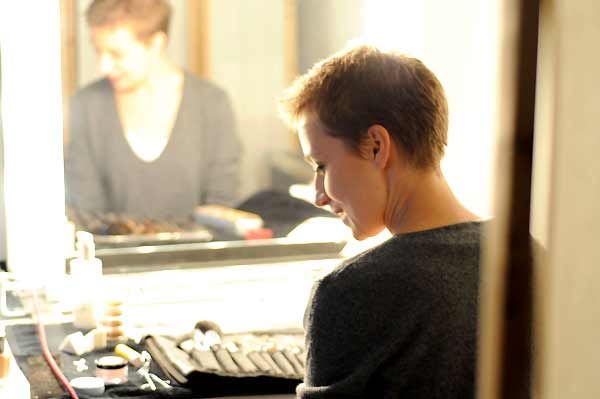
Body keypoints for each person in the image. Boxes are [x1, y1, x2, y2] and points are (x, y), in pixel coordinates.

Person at [278, 45, 482, 398]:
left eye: (321, 166)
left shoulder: (349, 292)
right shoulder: (528, 254)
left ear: (375, 146)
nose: (318, 195)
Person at [65, 0, 241, 221]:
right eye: (98, 52)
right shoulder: (87, 105)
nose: (104, 66)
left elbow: (221, 207)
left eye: (117, 54)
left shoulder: (212, 104)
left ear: (156, 44)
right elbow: (84, 209)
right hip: (108, 255)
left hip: (197, 254)